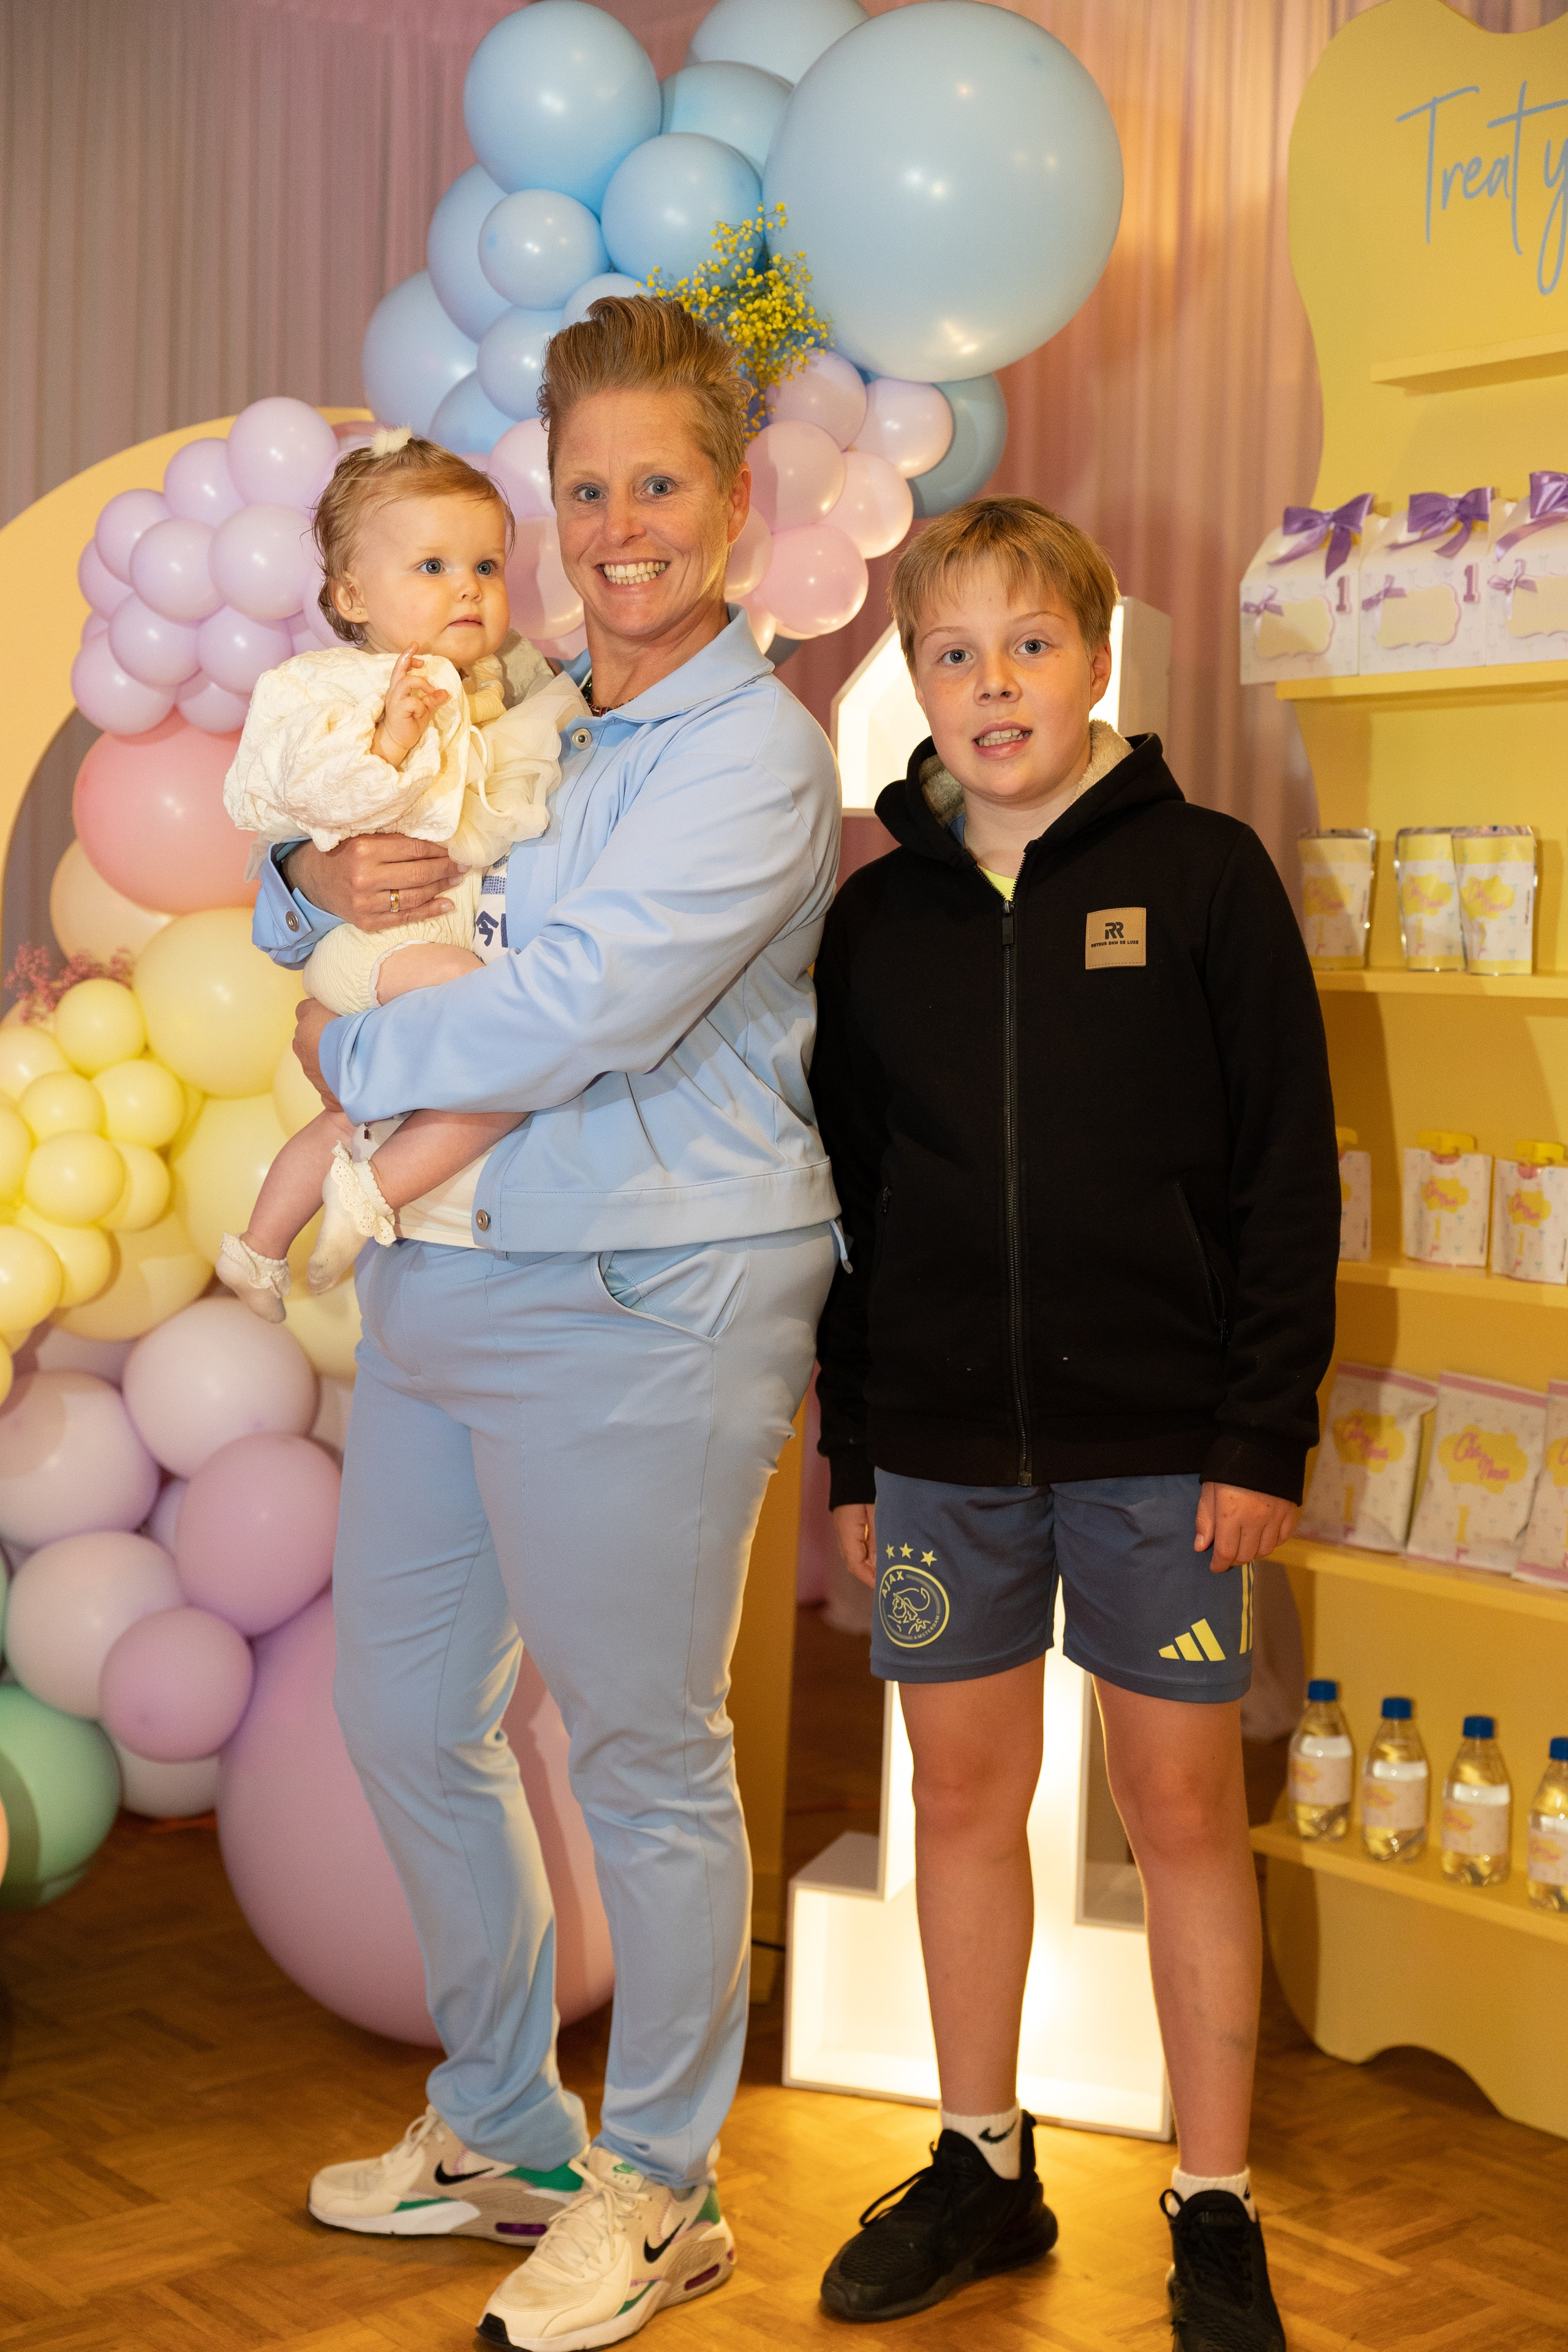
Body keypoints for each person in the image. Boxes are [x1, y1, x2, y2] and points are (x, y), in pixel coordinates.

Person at [255, 297, 842, 2352]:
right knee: (405, 1712)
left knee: (645, 1756)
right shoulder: (525, 706)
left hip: (652, 1288)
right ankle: (505, 2129)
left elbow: (578, 1007)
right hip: (451, 1263)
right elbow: (341, 873)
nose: (618, 527)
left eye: (657, 483)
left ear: (735, 501)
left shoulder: (755, 756)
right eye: (584, 490)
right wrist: (312, 869)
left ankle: (663, 2187)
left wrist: (347, 1073)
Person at [810, 496, 1338, 2348]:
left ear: (1096, 661)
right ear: (916, 683)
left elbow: (1285, 1176)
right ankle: (983, 2166)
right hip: (942, 1452)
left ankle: (1214, 2201)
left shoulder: (1202, 877)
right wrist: (857, 1447)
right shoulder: (877, 921)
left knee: (1181, 1809)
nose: (992, 684)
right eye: (952, 653)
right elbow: (849, 1209)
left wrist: (1259, 1433)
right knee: (964, 1801)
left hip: (1165, 1457)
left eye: (1028, 644)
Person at [217, 428, 583, 1316]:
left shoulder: (514, 677)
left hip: (426, 938)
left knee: (351, 1115)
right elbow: (303, 795)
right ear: (352, 595)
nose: (469, 587)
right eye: (432, 567)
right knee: (506, 1034)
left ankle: (258, 1251)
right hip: (377, 944)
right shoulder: (335, 689)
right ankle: (372, 1192)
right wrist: (386, 742)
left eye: (486, 566)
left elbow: (563, 721)